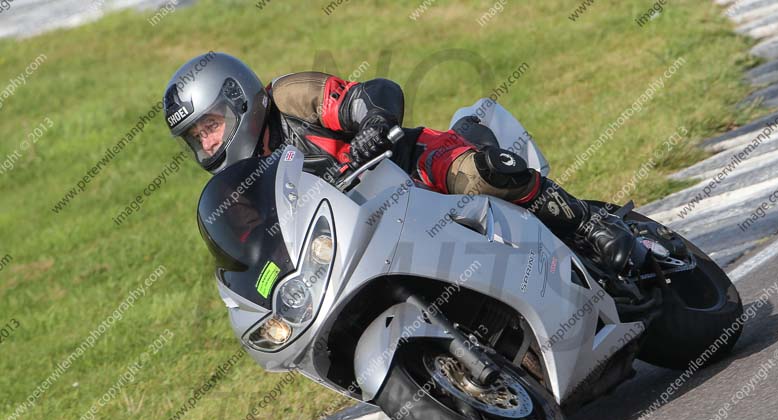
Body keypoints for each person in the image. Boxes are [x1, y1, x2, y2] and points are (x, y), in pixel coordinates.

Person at [163, 52, 634, 273]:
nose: (208, 142)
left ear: (237, 99)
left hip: (410, 168)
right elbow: (263, 248)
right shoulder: (242, 184)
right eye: (197, 137)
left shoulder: (288, 96)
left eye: (211, 125)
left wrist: (372, 125)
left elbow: (369, 95)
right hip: (364, 239)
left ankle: (589, 223)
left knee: (479, 177)